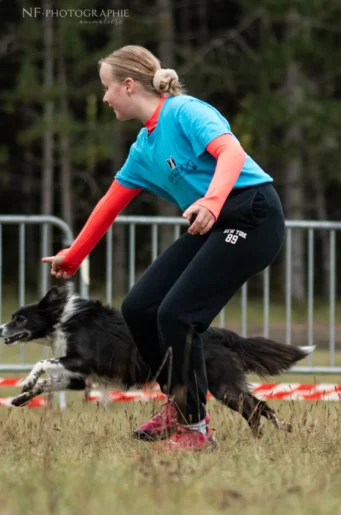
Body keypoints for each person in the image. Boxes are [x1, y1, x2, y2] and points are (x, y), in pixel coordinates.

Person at [41, 45, 286, 451]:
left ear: (129, 85)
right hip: (213, 220)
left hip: (252, 216)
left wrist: (212, 201)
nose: (104, 97)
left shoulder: (185, 111)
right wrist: (75, 254)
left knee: (176, 314)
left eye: (106, 87)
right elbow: (110, 203)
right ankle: (180, 400)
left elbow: (231, 152)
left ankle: (196, 429)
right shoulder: (143, 147)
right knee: (139, 307)